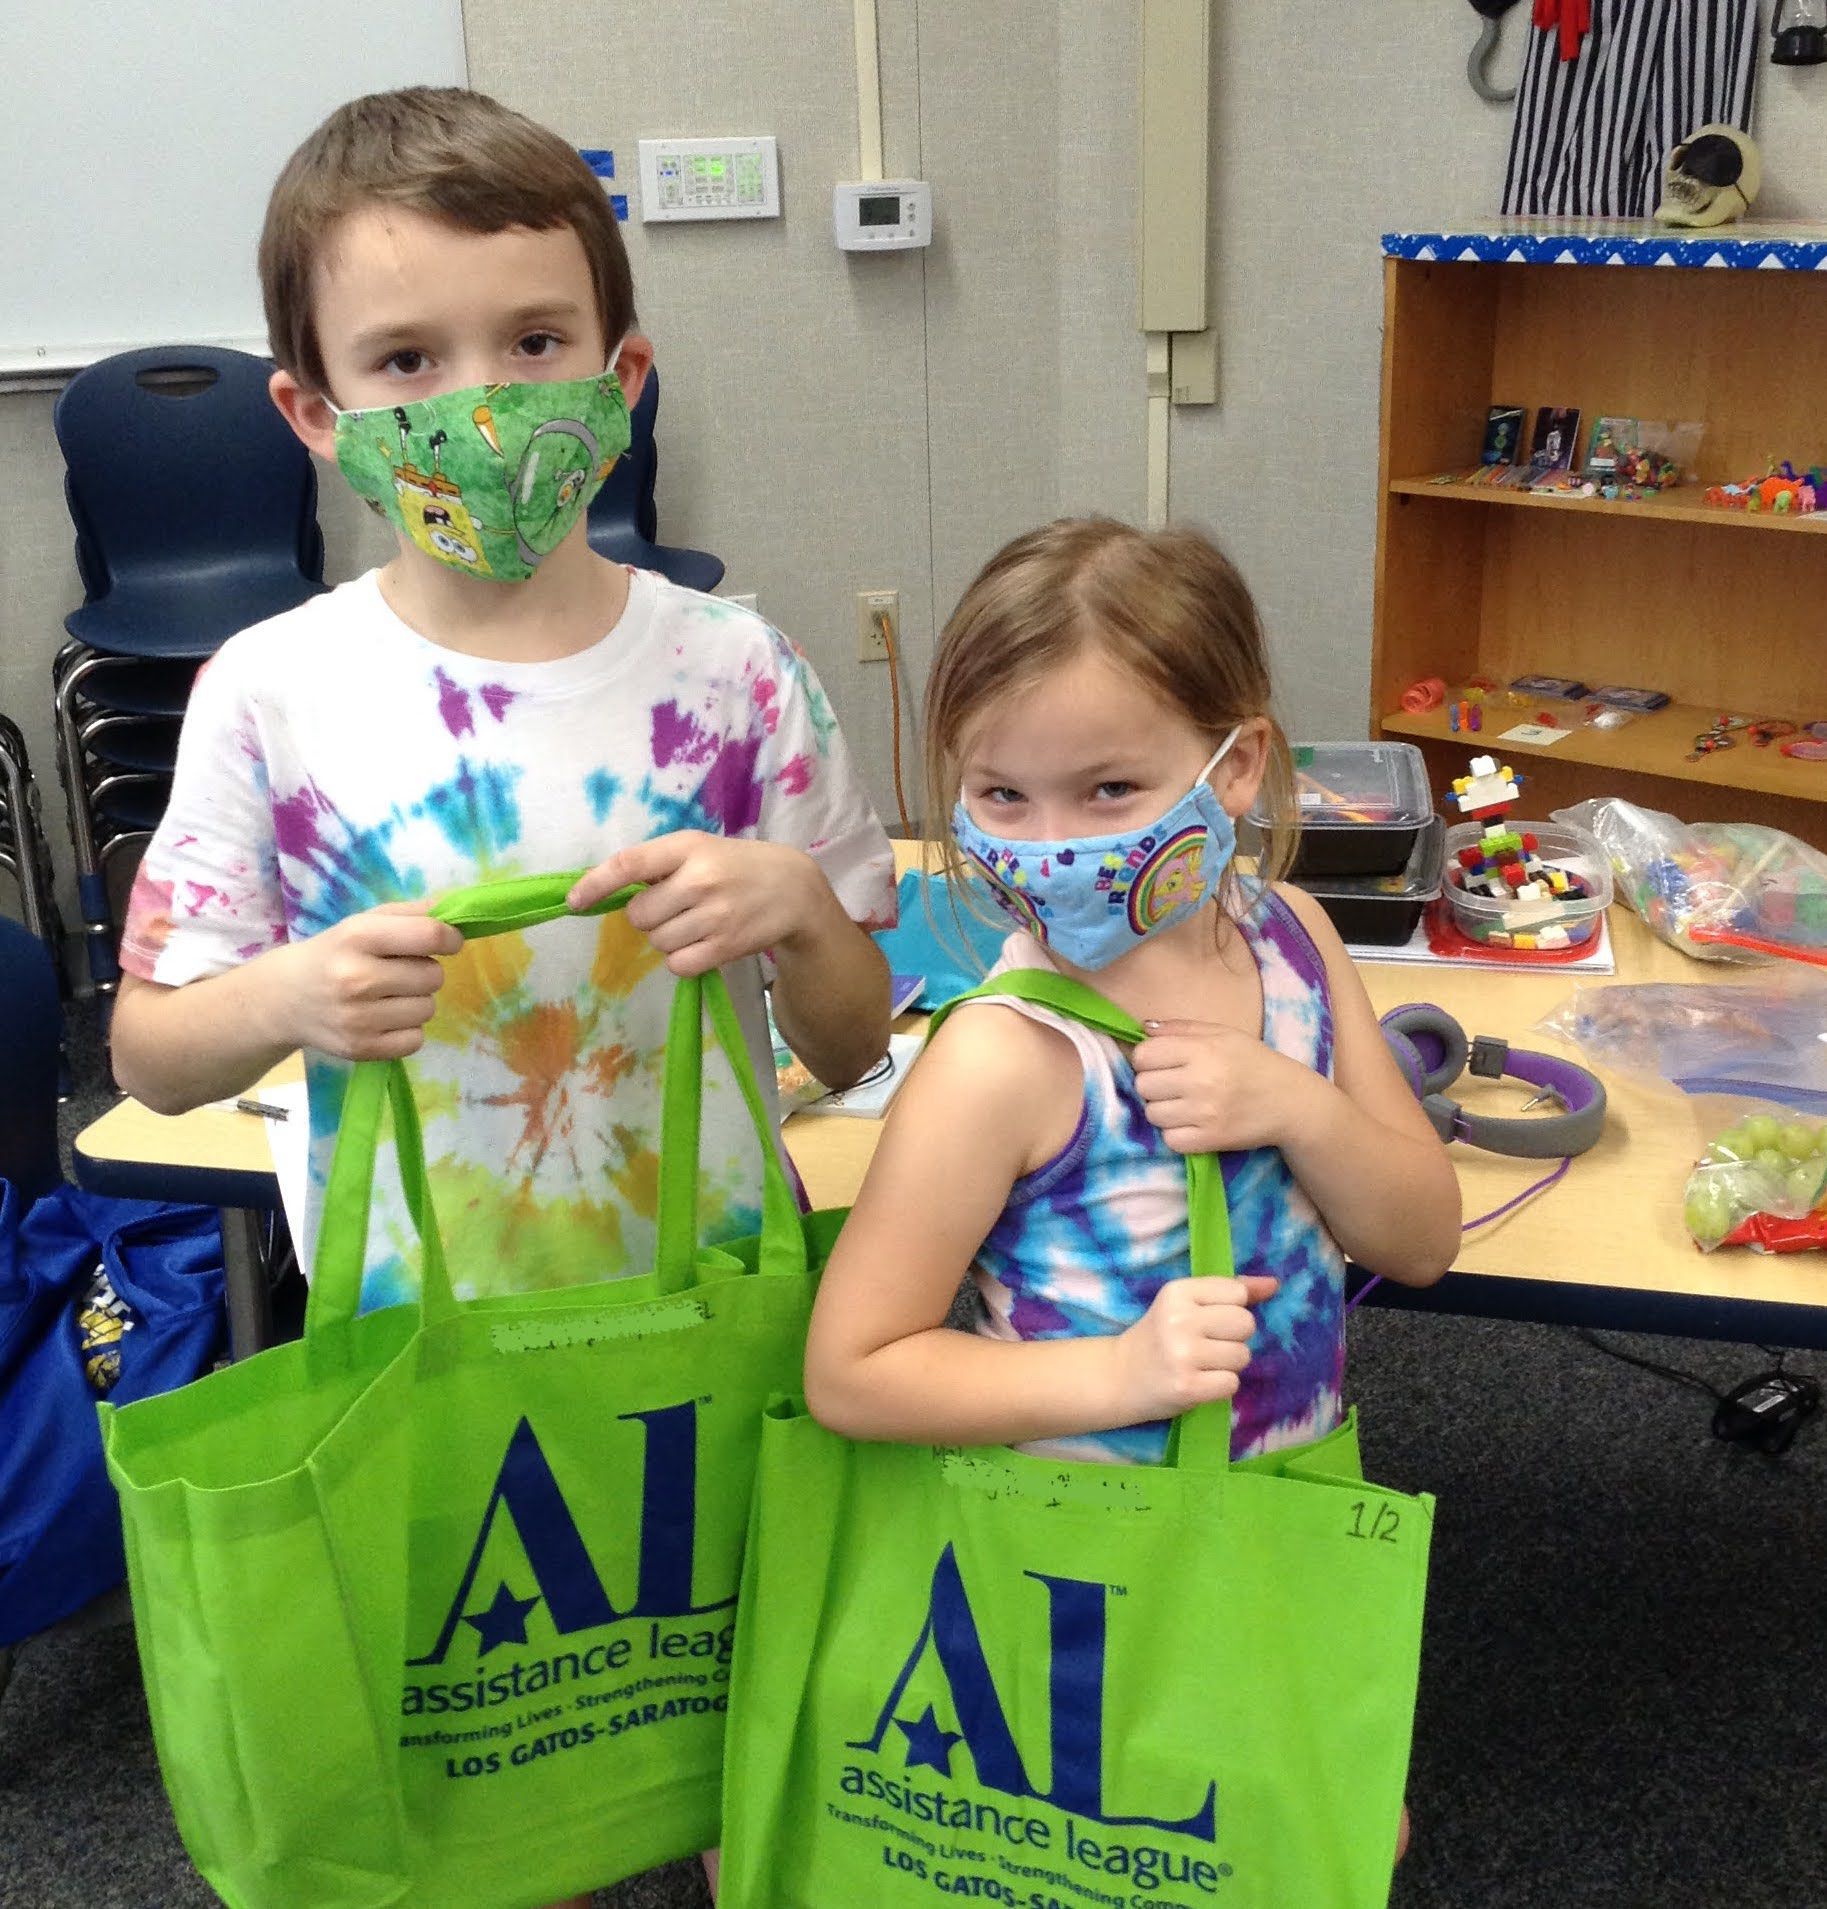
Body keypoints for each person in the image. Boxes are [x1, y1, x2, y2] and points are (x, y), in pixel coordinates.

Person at [805, 518, 1460, 1861]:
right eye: (1001, 795)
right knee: (1095, 1853)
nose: (1053, 844)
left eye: (1110, 789)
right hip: (1063, 1563)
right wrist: (1120, 1373)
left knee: (1331, 1843)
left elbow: (1424, 1234)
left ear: (1238, 766)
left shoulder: (1293, 937)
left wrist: (1305, 1107)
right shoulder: (1002, 1057)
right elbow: (854, 1369)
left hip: (1274, 1508)